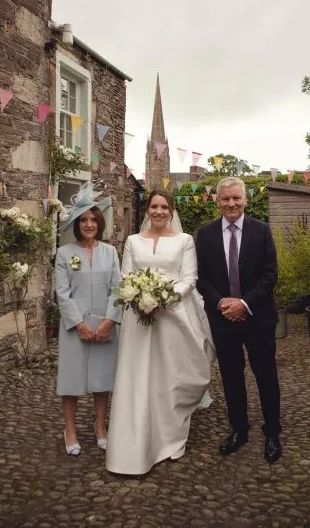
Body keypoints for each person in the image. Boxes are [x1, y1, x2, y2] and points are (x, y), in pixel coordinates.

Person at [106, 190, 213, 475]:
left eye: (164, 206)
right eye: (153, 206)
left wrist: (163, 297)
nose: (158, 211)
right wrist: (140, 298)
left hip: (173, 317)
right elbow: (126, 276)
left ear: (171, 210)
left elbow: (190, 278)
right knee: (138, 377)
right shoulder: (132, 241)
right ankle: (132, 445)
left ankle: (169, 436)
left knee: (171, 376)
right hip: (138, 319)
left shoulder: (184, 240)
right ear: (146, 210)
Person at [196, 176, 282, 463]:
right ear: (217, 201)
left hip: (258, 319)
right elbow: (201, 278)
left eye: (236, 198)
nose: (231, 203)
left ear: (245, 199)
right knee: (232, 378)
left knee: (266, 376)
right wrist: (222, 302)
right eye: (226, 199)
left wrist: (244, 303)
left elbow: (270, 276)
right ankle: (239, 430)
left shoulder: (262, 231)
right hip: (223, 319)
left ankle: (272, 432)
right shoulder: (205, 234)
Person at [55, 183, 122, 456]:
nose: (89, 224)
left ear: (100, 223)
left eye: (93, 219)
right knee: (71, 380)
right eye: (84, 220)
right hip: (75, 327)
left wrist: (109, 321)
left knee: (102, 378)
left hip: (105, 323)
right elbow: (62, 293)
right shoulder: (64, 253)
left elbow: (118, 289)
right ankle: (69, 428)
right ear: (77, 224)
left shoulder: (110, 252)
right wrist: (79, 325)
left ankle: (100, 425)